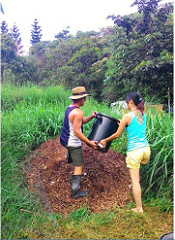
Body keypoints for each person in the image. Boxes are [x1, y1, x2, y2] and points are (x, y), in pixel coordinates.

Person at [99, 92, 151, 213]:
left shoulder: (127, 116)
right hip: (145, 149)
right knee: (136, 174)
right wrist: (122, 122)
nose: (126, 105)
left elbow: (117, 135)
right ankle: (135, 189)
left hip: (134, 151)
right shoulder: (143, 114)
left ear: (131, 102)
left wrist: (105, 140)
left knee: (135, 180)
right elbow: (133, 125)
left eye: (127, 103)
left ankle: (139, 208)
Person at [60, 86, 98, 199]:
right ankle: (76, 192)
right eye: (84, 98)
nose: (85, 100)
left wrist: (91, 116)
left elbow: (80, 123)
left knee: (73, 153)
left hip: (64, 139)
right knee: (78, 165)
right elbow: (77, 131)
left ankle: (70, 156)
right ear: (81, 99)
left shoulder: (70, 108)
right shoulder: (78, 112)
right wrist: (89, 143)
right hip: (72, 142)